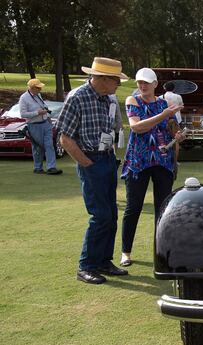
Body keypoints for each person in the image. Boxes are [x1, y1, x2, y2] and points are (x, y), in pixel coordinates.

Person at [56, 57, 130, 284]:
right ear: (103, 79)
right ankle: (86, 265)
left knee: (111, 214)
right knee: (100, 215)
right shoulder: (77, 97)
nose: (118, 84)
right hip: (92, 161)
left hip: (107, 159)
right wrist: (86, 162)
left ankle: (104, 261)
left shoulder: (108, 98)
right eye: (116, 79)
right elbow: (65, 137)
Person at [120, 67, 184, 267]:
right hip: (138, 162)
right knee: (133, 208)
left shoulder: (164, 103)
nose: (142, 85)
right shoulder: (133, 101)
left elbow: (172, 128)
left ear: (155, 84)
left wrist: (178, 135)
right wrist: (163, 114)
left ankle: (162, 252)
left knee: (163, 209)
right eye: (139, 82)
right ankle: (126, 252)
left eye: (146, 82)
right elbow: (137, 126)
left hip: (162, 161)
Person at [18, 78, 63, 175]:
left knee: (49, 145)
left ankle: (51, 167)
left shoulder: (38, 95)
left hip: (45, 123)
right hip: (34, 125)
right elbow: (23, 114)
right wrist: (37, 113)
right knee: (38, 147)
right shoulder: (23, 98)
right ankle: (38, 167)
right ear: (32, 88)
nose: (40, 89)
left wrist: (48, 117)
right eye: (38, 88)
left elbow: (44, 106)